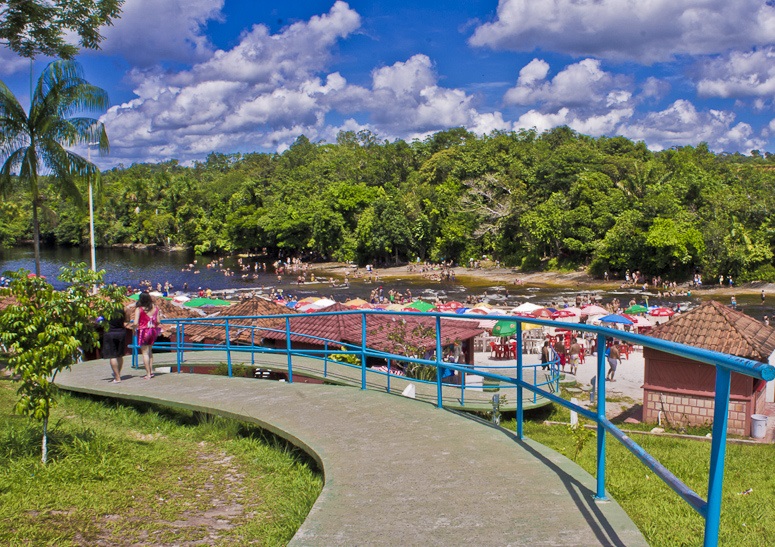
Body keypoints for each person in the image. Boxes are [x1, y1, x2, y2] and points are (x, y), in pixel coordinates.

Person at [134, 292, 161, 380]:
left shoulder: (139, 309)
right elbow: (158, 321)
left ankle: (148, 374)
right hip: (153, 330)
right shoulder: (155, 308)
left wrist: (134, 329)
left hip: (143, 331)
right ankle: (151, 371)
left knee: (145, 353)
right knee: (150, 351)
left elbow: (135, 322)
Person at [102, 306, 128, 383]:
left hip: (110, 332)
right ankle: (118, 373)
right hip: (121, 332)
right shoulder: (123, 309)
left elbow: (99, 320)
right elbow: (127, 320)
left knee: (112, 356)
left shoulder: (106, 310)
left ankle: (117, 377)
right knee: (119, 355)